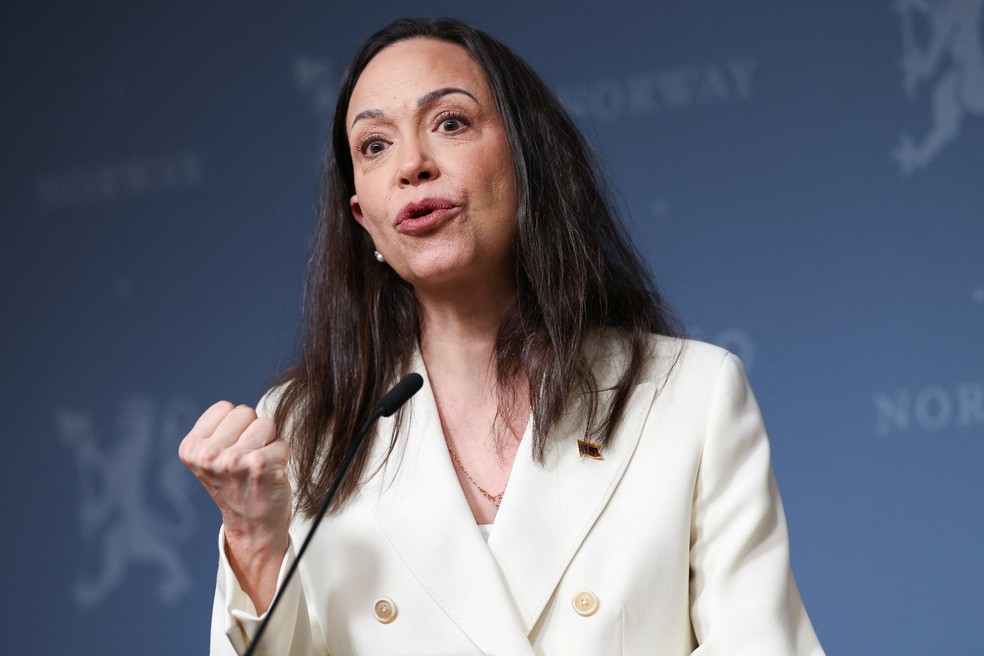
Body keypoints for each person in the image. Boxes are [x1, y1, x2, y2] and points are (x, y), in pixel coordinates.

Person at [179, 17, 825, 656]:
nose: (411, 166)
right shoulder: (302, 428)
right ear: (364, 220)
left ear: (526, 161)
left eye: (450, 123)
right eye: (374, 146)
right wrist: (257, 546)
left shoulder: (693, 395)